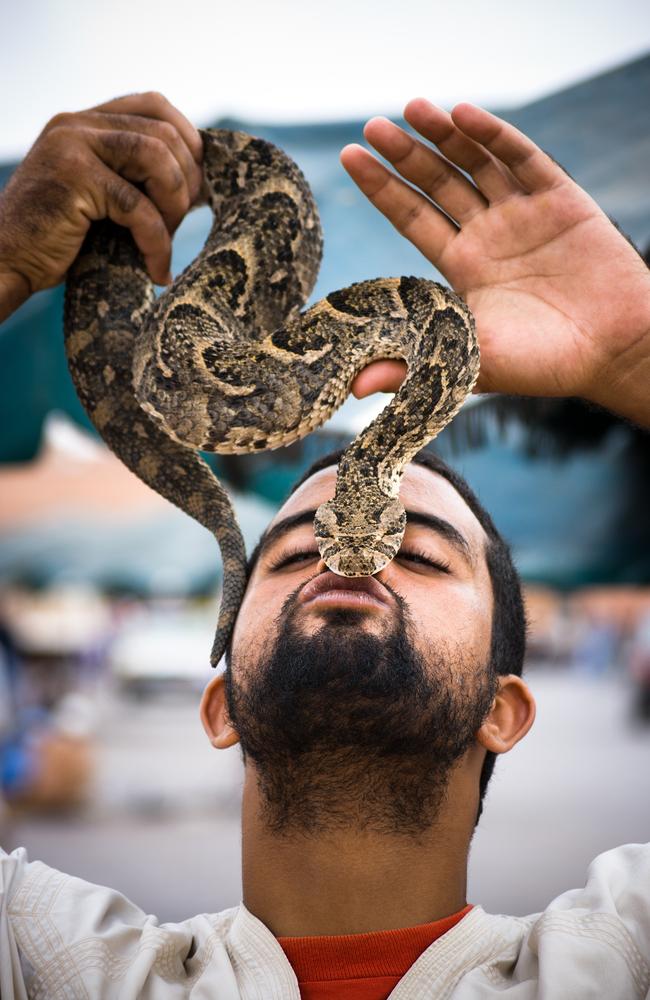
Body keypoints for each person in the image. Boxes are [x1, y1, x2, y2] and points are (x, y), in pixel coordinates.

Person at [0, 93, 649, 999]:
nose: (354, 563)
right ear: (218, 702)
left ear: (505, 710)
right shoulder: (42, 958)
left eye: (421, 556)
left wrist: (635, 355)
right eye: (294, 553)